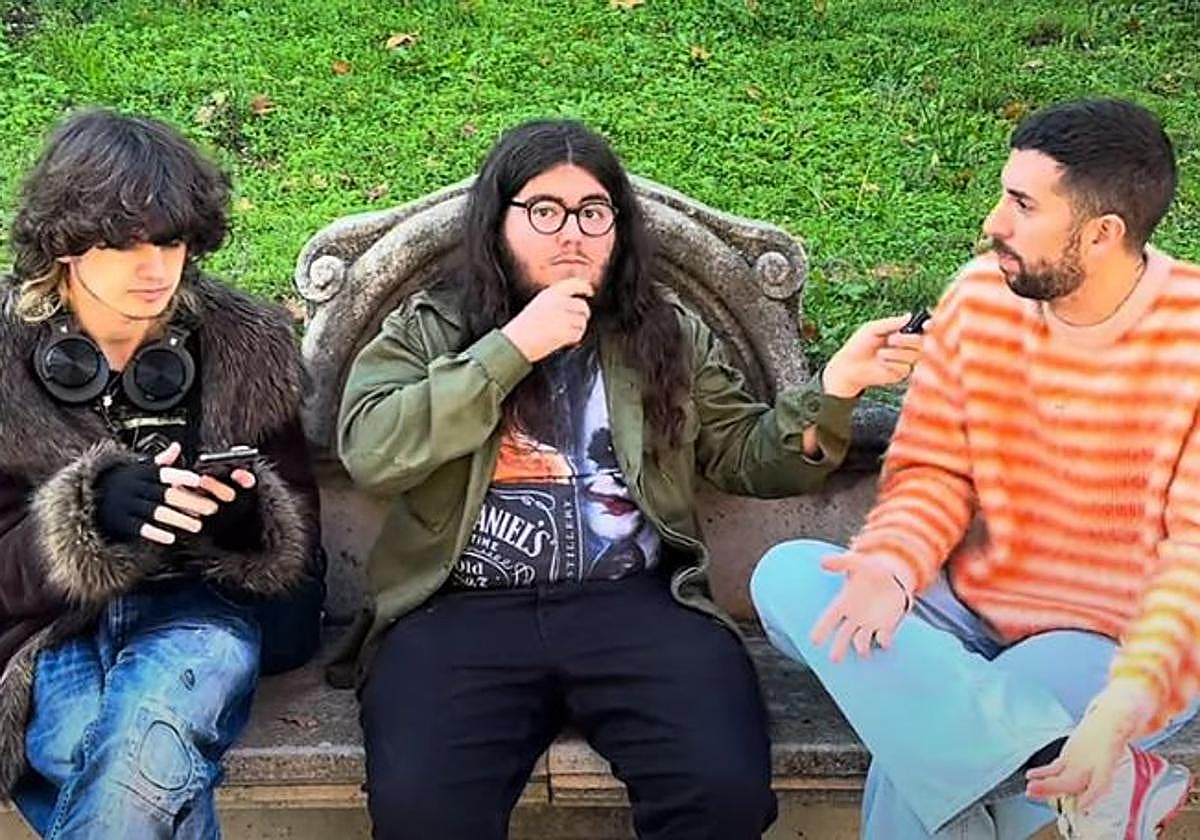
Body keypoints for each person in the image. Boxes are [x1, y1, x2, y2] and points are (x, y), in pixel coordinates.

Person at [337, 118, 924, 839]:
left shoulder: (662, 331)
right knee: (423, 812)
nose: (571, 234)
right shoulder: (431, 326)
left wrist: (835, 389)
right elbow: (372, 449)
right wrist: (513, 348)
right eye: (544, 211)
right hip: (457, 612)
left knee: (723, 793)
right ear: (497, 223)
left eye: (593, 212)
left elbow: (747, 454)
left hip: (636, 603)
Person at [752, 98, 1199, 839]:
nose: (994, 222)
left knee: (923, 774)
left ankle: (1047, 746)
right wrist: (891, 567)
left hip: (1108, 638)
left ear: (1103, 233)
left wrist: (1116, 715)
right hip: (956, 616)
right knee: (788, 576)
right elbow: (934, 473)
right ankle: (1094, 775)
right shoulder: (980, 296)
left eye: (1023, 205)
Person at [0, 109, 325, 838]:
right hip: (53, 631)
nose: (155, 268)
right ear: (64, 243)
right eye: (124, 243)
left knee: (134, 738)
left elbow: (302, 558)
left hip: (202, 614)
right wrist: (88, 514)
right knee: (99, 753)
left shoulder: (246, 345)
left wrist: (244, 518)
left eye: (171, 240)